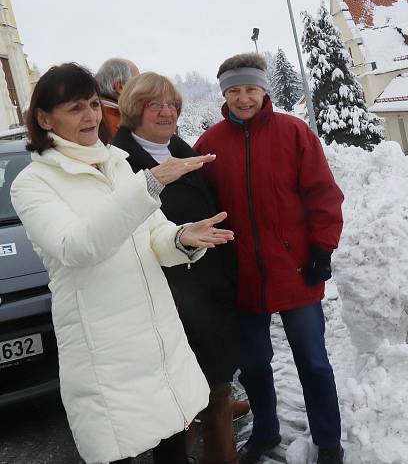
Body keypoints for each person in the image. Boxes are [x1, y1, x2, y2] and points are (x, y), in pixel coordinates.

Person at [11, 63, 234, 464]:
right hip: (106, 354)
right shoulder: (33, 183)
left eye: (94, 104)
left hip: (158, 341)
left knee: (174, 451)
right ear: (45, 119)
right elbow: (76, 247)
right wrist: (150, 185)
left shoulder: (117, 163)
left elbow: (154, 236)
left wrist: (182, 238)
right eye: (75, 107)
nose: (91, 116)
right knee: (118, 452)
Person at [194, 53, 345, 464]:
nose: (243, 98)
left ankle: (329, 440)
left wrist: (322, 249)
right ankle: (265, 431)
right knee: (255, 365)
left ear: (265, 90)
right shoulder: (208, 146)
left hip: (296, 269)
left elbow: (323, 195)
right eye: (234, 90)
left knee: (313, 360)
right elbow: (199, 211)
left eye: (251, 89)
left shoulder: (294, 133)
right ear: (224, 93)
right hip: (241, 277)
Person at [113, 72, 243, 464]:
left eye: (172, 104)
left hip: (210, 294)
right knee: (176, 406)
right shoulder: (118, 164)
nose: (166, 112)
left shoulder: (183, 151)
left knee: (217, 391)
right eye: (155, 104)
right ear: (135, 110)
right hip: (166, 299)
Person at [94, 57, 139, 136]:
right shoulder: (118, 126)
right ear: (120, 87)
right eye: (137, 83)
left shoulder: (94, 116)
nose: (142, 90)